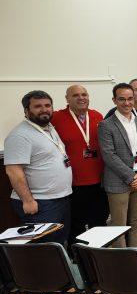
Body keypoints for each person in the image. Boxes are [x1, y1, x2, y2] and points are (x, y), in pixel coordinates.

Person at [5, 90, 72, 245]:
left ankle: (56, 270)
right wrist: (28, 201)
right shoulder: (20, 135)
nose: (44, 109)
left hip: (60, 199)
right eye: (38, 106)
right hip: (39, 202)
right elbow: (13, 171)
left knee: (58, 243)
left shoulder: (49, 128)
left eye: (48, 105)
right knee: (44, 248)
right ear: (26, 110)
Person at [97, 83, 137, 248]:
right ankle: (122, 261)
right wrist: (131, 177)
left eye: (130, 99)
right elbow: (109, 155)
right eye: (122, 99)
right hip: (118, 181)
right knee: (119, 225)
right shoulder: (106, 125)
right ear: (114, 100)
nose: (127, 103)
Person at [51, 85, 108, 246]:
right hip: (73, 182)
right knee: (77, 222)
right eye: (76, 95)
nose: (81, 98)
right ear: (67, 99)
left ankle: (99, 252)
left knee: (99, 219)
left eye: (84, 94)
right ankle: (78, 255)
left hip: (99, 180)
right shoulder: (56, 118)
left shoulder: (97, 116)